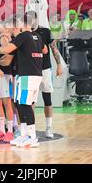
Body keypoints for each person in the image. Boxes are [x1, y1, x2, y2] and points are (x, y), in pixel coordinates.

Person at [0, 14, 48, 148]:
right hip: (32, 74)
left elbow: (6, 50)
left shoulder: (23, 36)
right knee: (19, 104)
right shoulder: (37, 36)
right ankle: (23, 135)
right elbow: (45, 50)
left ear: (22, 24)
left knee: (24, 105)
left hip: (27, 76)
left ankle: (32, 137)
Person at [30, 11, 63, 139]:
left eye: (33, 19)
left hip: (45, 69)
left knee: (47, 98)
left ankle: (49, 127)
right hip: (31, 70)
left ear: (37, 20)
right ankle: (30, 127)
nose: (31, 22)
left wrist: (59, 64)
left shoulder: (45, 31)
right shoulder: (25, 32)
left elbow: (54, 48)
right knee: (30, 101)